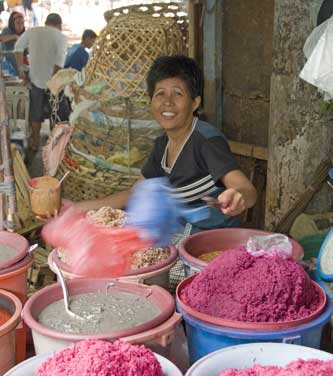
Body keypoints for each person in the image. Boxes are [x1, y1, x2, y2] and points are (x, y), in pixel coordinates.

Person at [74, 56, 257, 232]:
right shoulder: (162, 144)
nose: (168, 102)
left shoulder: (205, 140)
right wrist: (76, 208)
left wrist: (238, 196)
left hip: (212, 241)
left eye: (178, 94)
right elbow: (134, 194)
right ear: (151, 101)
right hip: (181, 232)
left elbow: (246, 189)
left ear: (195, 103)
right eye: (160, 94)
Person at [15, 13, 67, 151]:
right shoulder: (61, 37)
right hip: (53, 82)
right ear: (59, 25)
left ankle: (36, 142)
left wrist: (21, 72)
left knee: (35, 113)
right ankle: (52, 143)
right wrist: (54, 82)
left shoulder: (33, 31)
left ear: (46, 22)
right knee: (54, 114)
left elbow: (18, 48)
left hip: (35, 80)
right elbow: (59, 64)